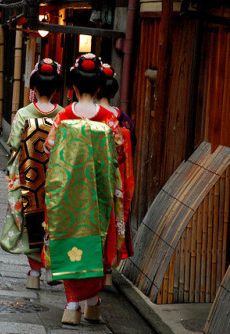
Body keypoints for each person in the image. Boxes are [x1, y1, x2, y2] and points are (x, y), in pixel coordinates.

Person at [43, 53, 124, 325]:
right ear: (99, 87)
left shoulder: (64, 116)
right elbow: (118, 154)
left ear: (74, 87)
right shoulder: (108, 119)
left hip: (67, 195)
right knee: (96, 241)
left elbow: (49, 147)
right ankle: (91, 301)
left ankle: (73, 304)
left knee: (68, 238)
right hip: (97, 195)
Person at [0, 59, 63, 290]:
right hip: (56, 180)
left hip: (28, 178)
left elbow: (14, 144)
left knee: (29, 223)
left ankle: (34, 273)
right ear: (56, 89)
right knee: (54, 221)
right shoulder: (64, 114)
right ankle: (51, 268)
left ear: (34, 89)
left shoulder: (24, 113)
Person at [97, 63, 135, 274]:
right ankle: (109, 270)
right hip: (118, 177)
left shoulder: (91, 115)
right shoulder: (123, 120)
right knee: (114, 220)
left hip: (95, 176)